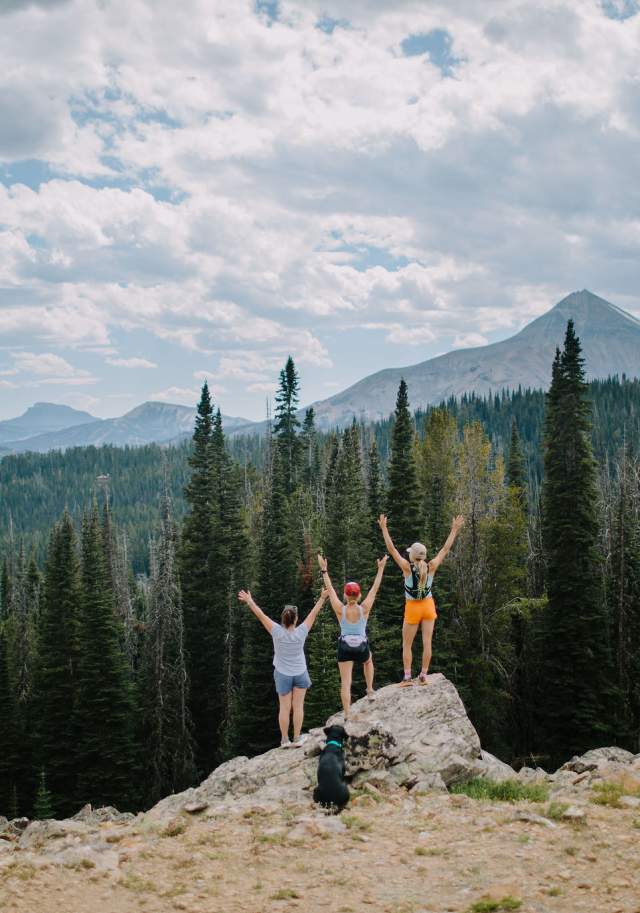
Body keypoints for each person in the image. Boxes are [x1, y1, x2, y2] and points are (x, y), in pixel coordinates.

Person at [378, 513, 464, 685]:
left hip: (412, 607)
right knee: (427, 642)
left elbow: (392, 549)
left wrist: (384, 528)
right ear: (423, 556)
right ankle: (424, 675)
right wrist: (454, 529)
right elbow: (445, 549)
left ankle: (408, 677)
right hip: (428, 606)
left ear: (412, 556)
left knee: (407, 645)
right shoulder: (431, 566)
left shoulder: (407, 568)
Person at [237, 588, 327, 747]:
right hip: (300, 672)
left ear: (282, 619)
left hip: (283, 674)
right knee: (298, 706)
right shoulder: (302, 632)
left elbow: (260, 615)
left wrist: (250, 601)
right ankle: (298, 738)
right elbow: (313, 613)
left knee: (284, 708)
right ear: (296, 619)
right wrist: (321, 598)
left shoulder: (275, 631)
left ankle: (285, 740)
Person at [317, 553, 388, 719]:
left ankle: (347, 714)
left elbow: (331, 591)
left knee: (345, 682)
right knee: (368, 660)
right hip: (361, 646)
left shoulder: (339, 609)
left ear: (346, 595)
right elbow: (375, 588)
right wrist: (381, 568)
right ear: (359, 595)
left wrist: (324, 570)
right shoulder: (364, 608)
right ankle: (370, 690)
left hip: (344, 648)